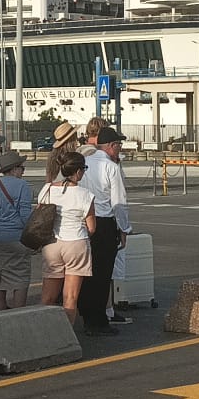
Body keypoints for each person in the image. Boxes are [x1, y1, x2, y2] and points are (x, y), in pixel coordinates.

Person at [81, 127, 133, 333]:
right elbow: (119, 203)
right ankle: (98, 320)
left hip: (84, 221)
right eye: (118, 145)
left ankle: (85, 314)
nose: (120, 149)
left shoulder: (84, 163)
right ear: (111, 146)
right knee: (103, 275)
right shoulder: (110, 167)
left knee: (86, 271)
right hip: (104, 222)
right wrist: (124, 228)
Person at [39, 152, 97, 325]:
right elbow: (92, 227)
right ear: (78, 171)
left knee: (48, 297)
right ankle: (67, 337)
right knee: (70, 297)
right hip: (76, 243)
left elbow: (40, 216)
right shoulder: (85, 194)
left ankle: (43, 330)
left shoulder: (48, 188)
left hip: (52, 244)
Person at [0, 149, 35, 310]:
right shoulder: (23, 186)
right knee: (20, 274)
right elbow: (25, 215)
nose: (22, 171)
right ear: (14, 169)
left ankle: (0, 310)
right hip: (15, 236)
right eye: (21, 168)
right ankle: (18, 312)